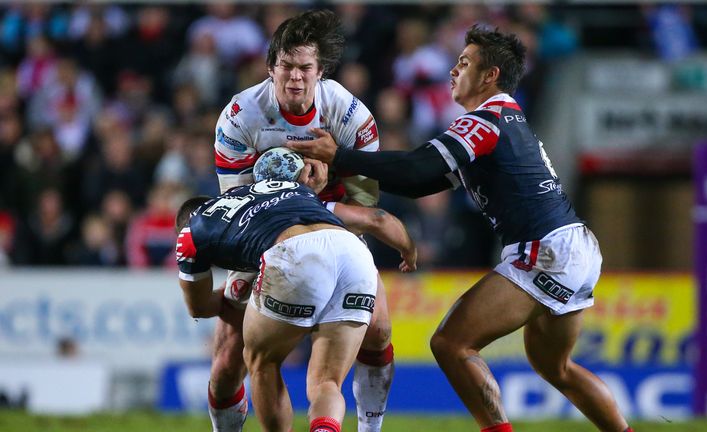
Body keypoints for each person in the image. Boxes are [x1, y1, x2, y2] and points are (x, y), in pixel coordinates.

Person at [288, 25, 633, 432]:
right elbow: (424, 184)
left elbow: (418, 170)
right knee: (555, 367)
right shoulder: (504, 119)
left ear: (490, 77)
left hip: (546, 249)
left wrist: (341, 155)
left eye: (464, 63)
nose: (453, 70)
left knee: (451, 343)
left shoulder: (486, 121)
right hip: (573, 246)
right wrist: (344, 168)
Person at [208, 10, 396, 432]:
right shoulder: (240, 117)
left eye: (304, 68)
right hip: (259, 236)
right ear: (270, 66)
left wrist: (330, 179)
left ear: (320, 71)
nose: (295, 77)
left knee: (380, 331)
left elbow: (365, 203)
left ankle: (370, 428)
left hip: (334, 230)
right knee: (226, 360)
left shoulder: (351, 117)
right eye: (286, 67)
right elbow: (236, 206)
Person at [175, 155, 415, 432]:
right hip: (353, 253)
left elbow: (200, 307)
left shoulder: (192, 231)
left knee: (261, 361)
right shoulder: (279, 188)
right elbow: (374, 218)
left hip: (294, 256)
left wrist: (238, 293)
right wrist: (408, 249)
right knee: (326, 382)